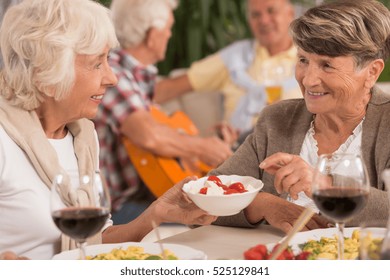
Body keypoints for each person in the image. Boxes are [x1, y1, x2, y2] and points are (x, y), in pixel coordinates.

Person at [0, 0, 216, 260]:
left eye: (108, 60)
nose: (112, 78)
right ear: (47, 72)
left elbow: (94, 241)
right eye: (96, 64)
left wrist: (155, 215)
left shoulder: (83, 136)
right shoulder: (4, 140)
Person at [209, 0, 390, 234]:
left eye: (327, 65)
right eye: (303, 60)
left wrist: (325, 185)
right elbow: (208, 197)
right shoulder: (277, 119)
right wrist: (262, 204)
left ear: (372, 71)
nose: (308, 80)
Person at [93, 0, 233, 225]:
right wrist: (202, 147)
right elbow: (149, 135)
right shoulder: (114, 75)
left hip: (144, 196)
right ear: (153, 35)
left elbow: (161, 135)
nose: (169, 35)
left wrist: (208, 143)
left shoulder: (136, 79)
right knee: (212, 218)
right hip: (116, 211)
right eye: (168, 28)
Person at [154, 0, 301, 142]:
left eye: (271, 11)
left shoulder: (312, 58)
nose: (263, 20)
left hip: (292, 153)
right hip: (236, 152)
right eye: (255, 15)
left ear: (290, 14)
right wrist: (134, 106)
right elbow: (169, 88)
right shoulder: (234, 57)